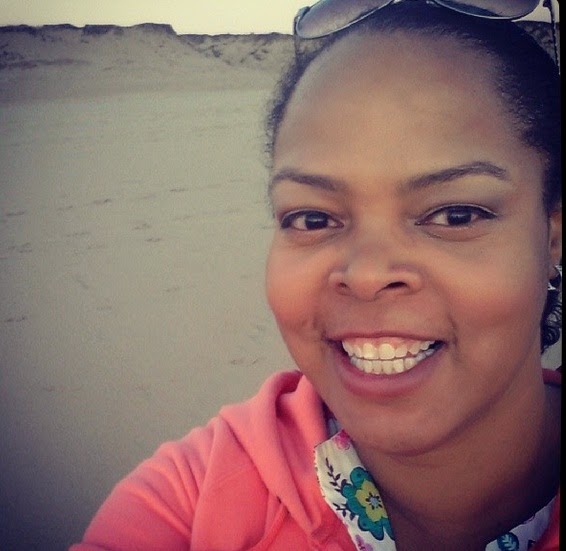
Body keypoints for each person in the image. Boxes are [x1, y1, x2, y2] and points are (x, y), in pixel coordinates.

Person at [71, 1, 561, 549]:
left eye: (455, 215)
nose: (367, 275)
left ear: (552, 235)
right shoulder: (193, 501)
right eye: (313, 219)